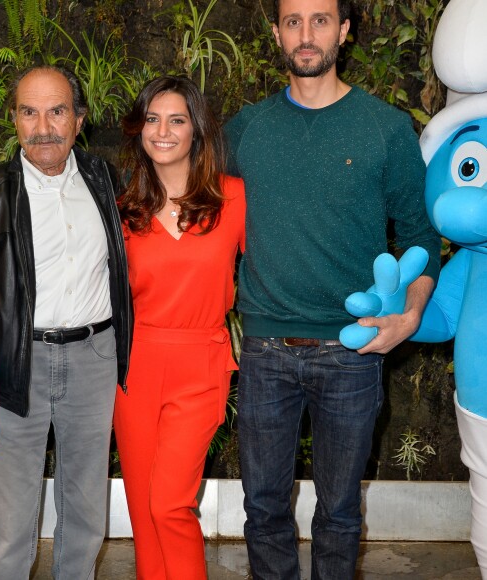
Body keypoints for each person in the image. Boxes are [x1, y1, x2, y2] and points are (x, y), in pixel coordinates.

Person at [223, 0, 442, 578]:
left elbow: (420, 237)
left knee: (339, 514)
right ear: (276, 33)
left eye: (320, 20)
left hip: (353, 354)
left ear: (343, 31)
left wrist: (409, 318)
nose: (306, 33)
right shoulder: (246, 129)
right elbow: (194, 208)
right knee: (263, 510)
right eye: (293, 21)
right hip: (266, 351)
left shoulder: (387, 129)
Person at [0, 65, 131, 580]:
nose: (44, 126)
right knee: (10, 529)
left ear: (78, 120)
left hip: (95, 362)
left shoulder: (106, 181)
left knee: (86, 518)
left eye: (57, 111)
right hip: (16, 365)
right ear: (14, 121)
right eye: (30, 111)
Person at [114, 75, 245, 579]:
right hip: (135, 369)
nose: (162, 131)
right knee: (144, 514)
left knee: (170, 504)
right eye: (152, 119)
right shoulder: (124, 210)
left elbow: (276, 271)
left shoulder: (234, 200)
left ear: (197, 130)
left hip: (200, 365)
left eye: (176, 120)